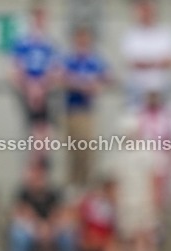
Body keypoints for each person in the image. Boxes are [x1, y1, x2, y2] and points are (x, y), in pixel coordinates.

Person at [111, 115, 160, 251]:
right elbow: (116, 183)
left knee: (145, 233)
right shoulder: (120, 156)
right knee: (127, 235)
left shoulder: (146, 153)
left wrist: (154, 201)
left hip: (143, 201)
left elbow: (153, 179)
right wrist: (117, 203)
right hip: (126, 203)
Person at [62, 24, 110, 188]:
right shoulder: (69, 59)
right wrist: (80, 84)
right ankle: (73, 184)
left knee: (87, 150)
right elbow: (60, 78)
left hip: (88, 111)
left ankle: (87, 184)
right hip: (72, 110)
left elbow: (106, 78)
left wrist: (96, 86)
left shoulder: (94, 60)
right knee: (73, 149)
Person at [9, 159, 75, 251]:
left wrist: (48, 226)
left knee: (67, 237)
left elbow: (61, 213)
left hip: (51, 228)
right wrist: (38, 225)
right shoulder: (23, 193)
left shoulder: (54, 193)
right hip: (32, 229)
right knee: (18, 236)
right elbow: (20, 213)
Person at [9, 1, 60, 145]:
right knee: (32, 131)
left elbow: (55, 70)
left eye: (42, 16)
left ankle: (42, 159)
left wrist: (42, 87)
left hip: (45, 93)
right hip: (27, 93)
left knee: (46, 132)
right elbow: (15, 69)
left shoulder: (50, 44)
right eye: (37, 16)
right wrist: (29, 86)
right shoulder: (22, 43)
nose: (40, 20)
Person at [120, 0, 171, 109]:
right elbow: (133, 62)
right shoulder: (131, 34)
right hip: (137, 91)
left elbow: (170, 60)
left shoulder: (166, 33)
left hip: (161, 89)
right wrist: (156, 62)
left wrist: (148, 62)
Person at [76, 175, 120, 251]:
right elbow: (81, 223)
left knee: (113, 246)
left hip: (105, 241)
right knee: (110, 246)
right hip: (91, 240)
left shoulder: (114, 207)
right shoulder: (91, 203)